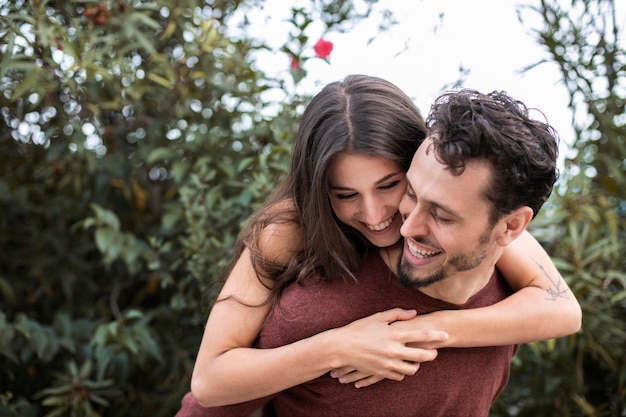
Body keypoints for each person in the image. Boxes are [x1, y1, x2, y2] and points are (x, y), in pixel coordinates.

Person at [177, 78, 581, 416]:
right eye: (345, 194)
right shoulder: (293, 229)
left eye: (390, 186)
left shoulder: (472, 223)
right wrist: (339, 346)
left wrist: (415, 332)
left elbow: (561, 308)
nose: (374, 215)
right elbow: (210, 382)